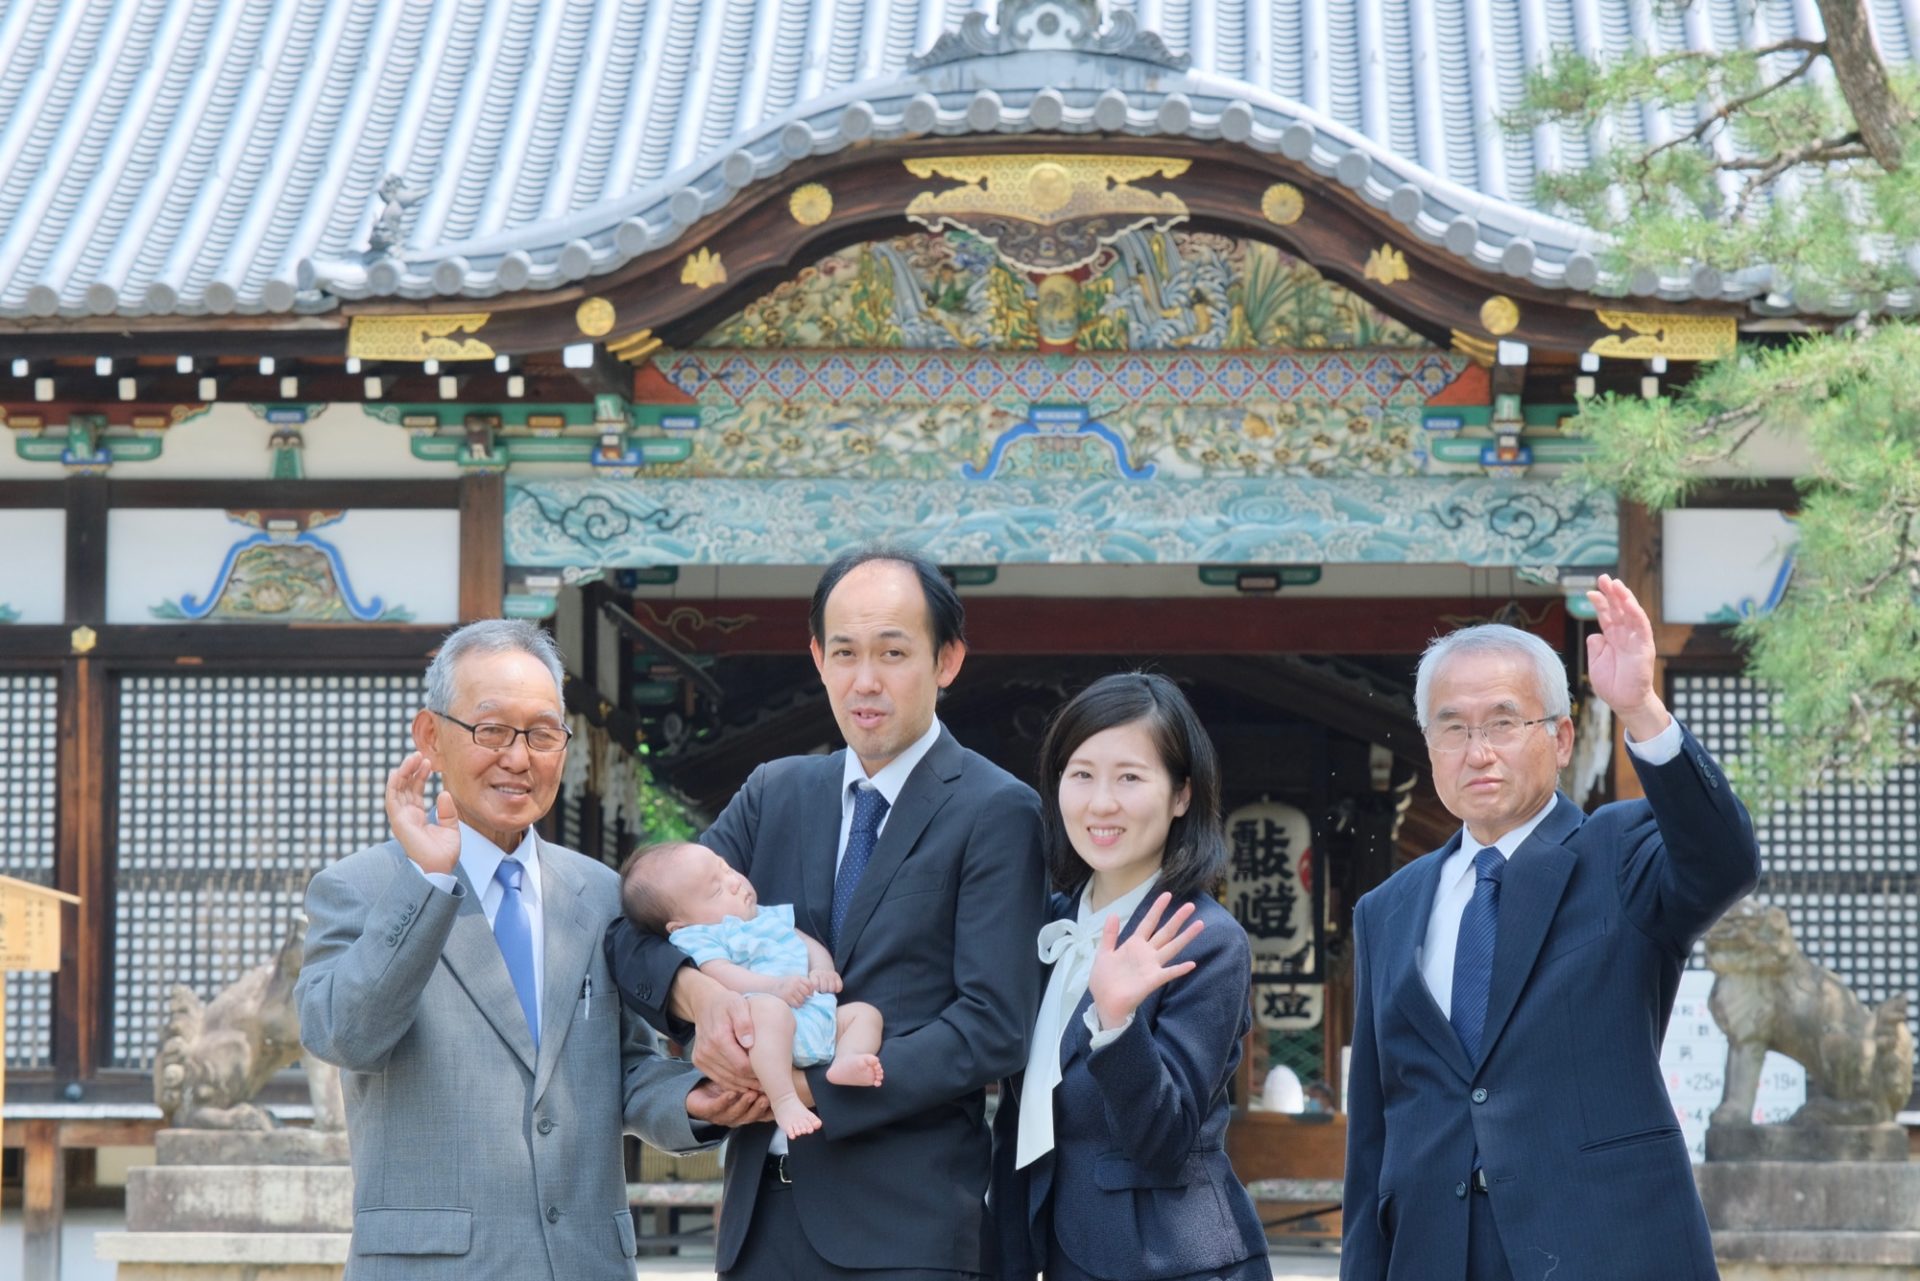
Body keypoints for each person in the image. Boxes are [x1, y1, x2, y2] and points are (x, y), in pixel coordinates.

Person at [605, 547, 1050, 1279]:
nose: (864, 680)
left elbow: (993, 1025)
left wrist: (806, 1089)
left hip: (907, 1235)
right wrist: (706, 996)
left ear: (947, 660)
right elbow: (634, 934)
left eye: (893, 651)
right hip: (756, 1228)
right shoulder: (773, 794)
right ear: (817, 656)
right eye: (843, 651)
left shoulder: (995, 810)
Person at [297, 620, 760, 1281]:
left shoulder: (601, 894)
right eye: (492, 730)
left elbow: (626, 1066)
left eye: (542, 734)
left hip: (586, 1263)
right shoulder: (363, 887)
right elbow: (345, 1034)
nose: (519, 757)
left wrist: (691, 1102)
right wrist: (429, 880)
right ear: (431, 736)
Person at [1341, 575, 1762, 1281]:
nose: (1479, 751)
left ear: (1561, 737)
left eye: (1505, 723)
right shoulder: (1388, 907)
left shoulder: (1618, 853)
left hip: (1601, 1245)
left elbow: (1724, 862)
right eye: (1454, 727)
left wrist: (1641, 708)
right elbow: (1374, 1138)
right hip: (1433, 1253)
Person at [993, 672, 1271, 1281]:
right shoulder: (1051, 925)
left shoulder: (1204, 937)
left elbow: (1162, 1143)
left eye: (1130, 777)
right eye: (1082, 774)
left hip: (1169, 1261)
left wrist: (1116, 1024)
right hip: (1057, 1251)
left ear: (1181, 796)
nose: (1101, 803)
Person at [620, 840, 886, 1139]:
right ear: (679, 926)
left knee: (864, 1014)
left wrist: (822, 969)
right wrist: (773, 987)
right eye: (716, 890)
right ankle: (784, 1098)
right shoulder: (701, 936)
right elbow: (722, 973)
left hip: (814, 1017)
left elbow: (807, 944)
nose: (733, 882)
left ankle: (847, 1058)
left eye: (727, 869)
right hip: (766, 1031)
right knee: (769, 1010)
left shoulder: (767, 916)